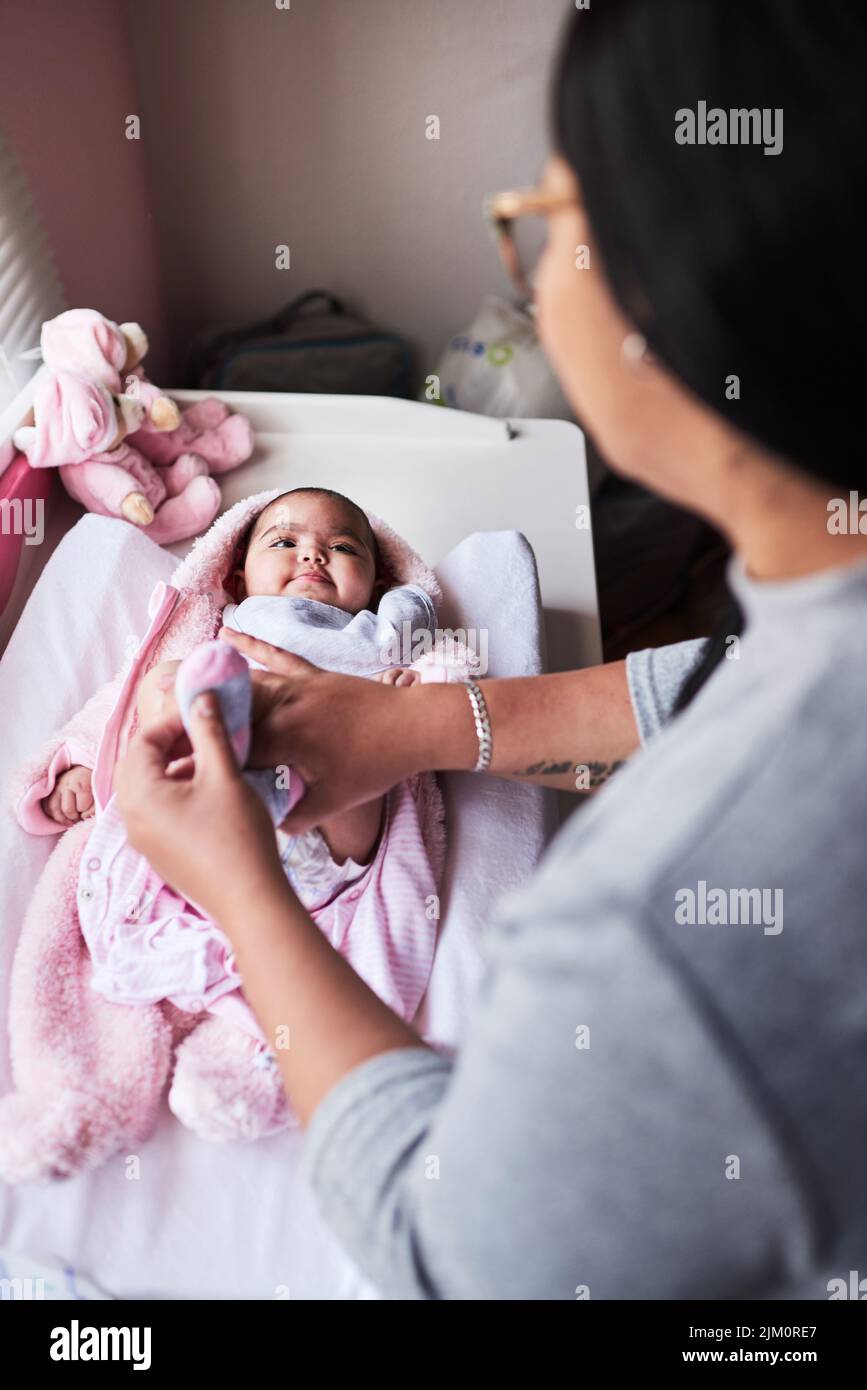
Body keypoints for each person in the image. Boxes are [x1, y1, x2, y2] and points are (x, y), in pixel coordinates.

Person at [116, 0, 867, 1298]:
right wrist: (415, 731)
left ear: (702, 284)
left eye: (554, 209)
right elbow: (723, 684)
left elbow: (457, 1257)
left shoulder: (666, 927)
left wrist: (245, 891)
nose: (522, 247)